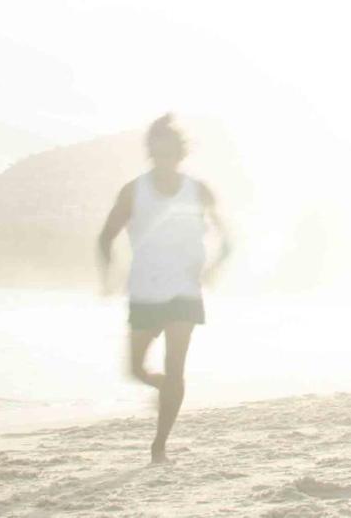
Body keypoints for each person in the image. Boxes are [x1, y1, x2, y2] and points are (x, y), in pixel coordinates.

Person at [97, 114, 232, 464]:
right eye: (157, 151)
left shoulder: (198, 190)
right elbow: (105, 236)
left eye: (170, 151)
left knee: (176, 369)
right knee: (136, 370)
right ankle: (164, 390)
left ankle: (159, 446)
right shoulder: (133, 191)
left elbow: (227, 237)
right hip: (144, 292)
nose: (164, 158)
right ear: (150, 152)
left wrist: (214, 267)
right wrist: (108, 276)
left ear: (180, 153)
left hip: (185, 293)